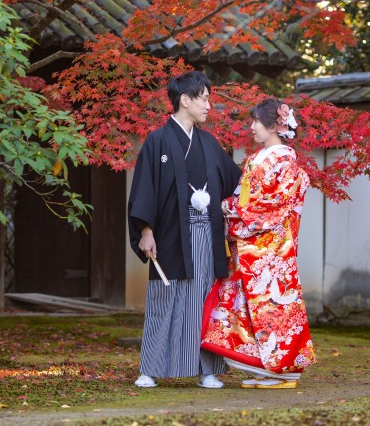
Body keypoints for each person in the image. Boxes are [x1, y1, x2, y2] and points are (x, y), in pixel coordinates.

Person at [127, 71, 241, 389]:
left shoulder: (208, 142)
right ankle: (149, 368)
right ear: (185, 100)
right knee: (165, 297)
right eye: (203, 98)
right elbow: (144, 190)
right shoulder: (158, 141)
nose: (208, 104)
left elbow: (236, 181)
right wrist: (145, 231)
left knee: (205, 298)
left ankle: (207, 370)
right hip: (170, 233)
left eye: (208, 97)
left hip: (206, 233)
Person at [201, 97, 316, 389]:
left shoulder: (286, 161)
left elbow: (274, 205)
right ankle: (266, 368)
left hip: (272, 251)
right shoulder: (256, 159)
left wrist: (229, 209)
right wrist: (226, 206)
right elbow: (244, 197)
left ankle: (284, 369)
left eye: (255, 121)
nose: (251, 127)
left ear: (273, 125)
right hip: (249, 246)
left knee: (274, 307)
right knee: (249, 309)